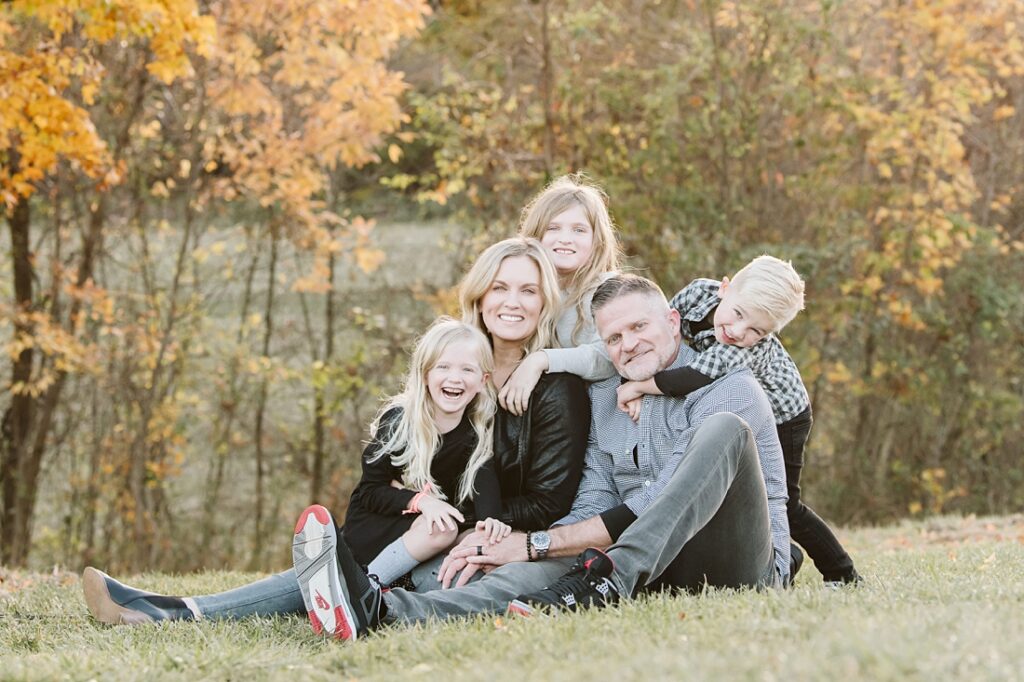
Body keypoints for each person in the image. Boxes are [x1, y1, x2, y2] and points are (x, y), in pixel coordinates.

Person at [81, 238, 590, 627]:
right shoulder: (455, 366)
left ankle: (172, 611)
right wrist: (416, 500)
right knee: (339, 562)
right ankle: (168, 609)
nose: (512, 302)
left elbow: (546, 501)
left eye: (528, 290)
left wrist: (475, 523)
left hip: (484, 538)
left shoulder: (554, 388)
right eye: (500, 287)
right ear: (480, 296)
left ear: (545, 302)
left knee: (346, 569)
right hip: (426, 523)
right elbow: (402, 460)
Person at [304, 273, 791, 639]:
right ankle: (382, 610)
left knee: (725, 432)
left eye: (639, 326)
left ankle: (609, 578)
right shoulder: (606, 398)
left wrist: (537, 543)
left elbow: (657, 502)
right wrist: (523, 547)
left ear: (672, 321)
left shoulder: (730, 385)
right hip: (641, 568)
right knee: (523, 571)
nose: (629, 344)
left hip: (735, 558)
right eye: (614, 338)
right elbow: (594, 499)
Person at [614, 255, 860, 584]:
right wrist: (633, 377)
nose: (737, 331)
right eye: (739, 314)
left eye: (757, 330)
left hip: (784, 416)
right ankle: (778, 549)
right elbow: (663, 333)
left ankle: (841, 573)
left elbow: (691, 378)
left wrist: (636, 387)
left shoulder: (746, 349)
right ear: (725, 288)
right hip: (736, 410)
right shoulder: (697, 294)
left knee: (785, 503)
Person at [497, 174, 622, 416]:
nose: (565, 238)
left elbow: (607, 357)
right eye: (553, 228)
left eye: (579, 230)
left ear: (596, 241)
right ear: (535, 236)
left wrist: (540, 360)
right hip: (548, 412)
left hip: (605, 416)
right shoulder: (527, 290)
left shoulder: (609, 289)